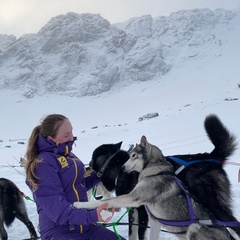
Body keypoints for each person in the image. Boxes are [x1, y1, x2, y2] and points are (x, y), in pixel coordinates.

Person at [25, 114, 126, 240]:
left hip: (86, 227)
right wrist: (94, 215)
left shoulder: (69, 156)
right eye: (66, 135)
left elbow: (78, 184)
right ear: (51, 139)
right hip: (59, 232)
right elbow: (59, 211)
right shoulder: (43, 165)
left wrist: (102, 172)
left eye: (71, 132)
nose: (72, 138)